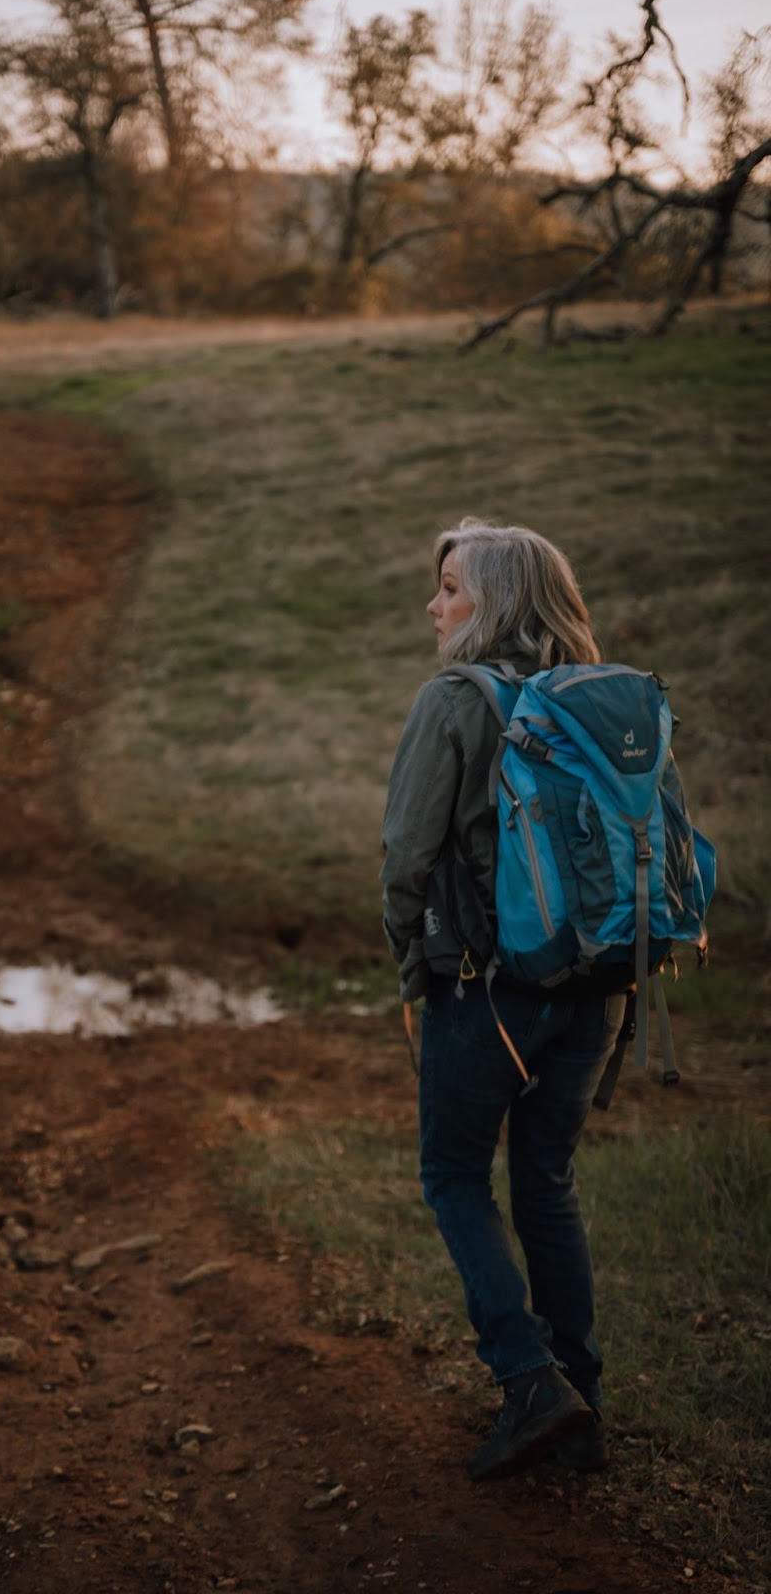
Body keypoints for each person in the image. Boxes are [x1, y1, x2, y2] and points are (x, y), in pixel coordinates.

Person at [380, 518, 627, 1482]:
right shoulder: (599, 700)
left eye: (450, 588)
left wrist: (412, 968)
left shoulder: (453, 699)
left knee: (451, 1173)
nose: (433, 607)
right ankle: (583, 1406)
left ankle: (530, 1382)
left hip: (489, 993)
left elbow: (406, 854)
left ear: (498, 604)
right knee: (546, 1183)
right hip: (597, 988)